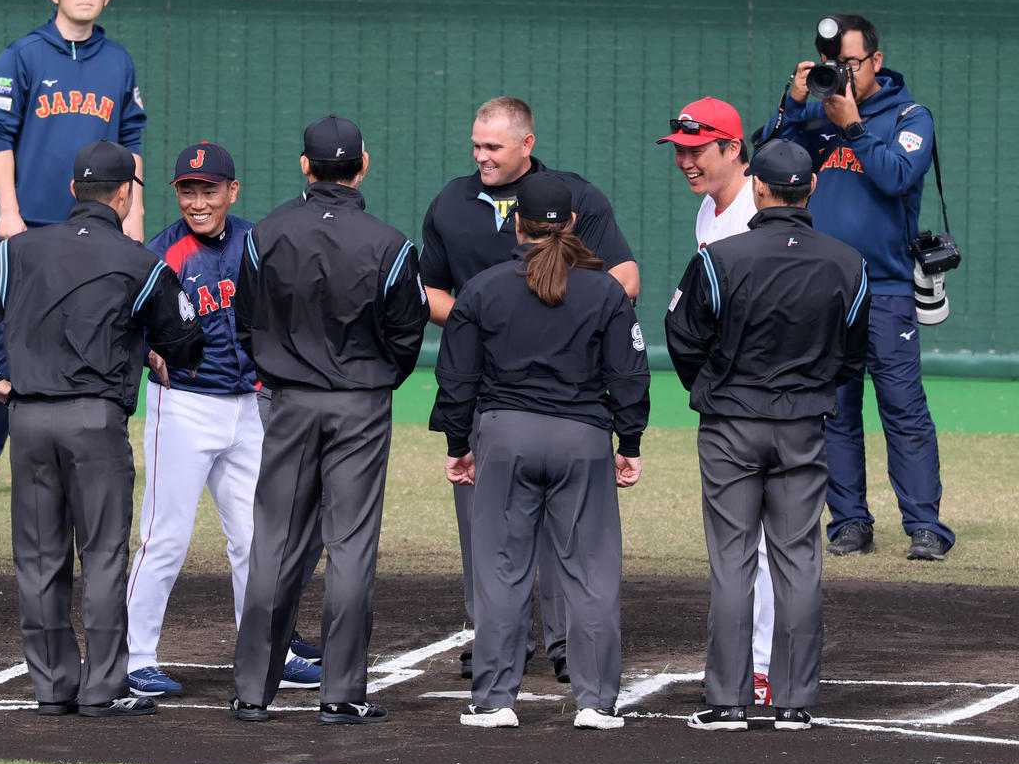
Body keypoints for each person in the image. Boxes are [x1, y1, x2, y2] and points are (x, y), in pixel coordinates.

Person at [0, 139, 203, 717]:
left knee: (39, 558)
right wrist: (150, 349)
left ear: (72, 190)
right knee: (103, 556)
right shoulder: (140, 262)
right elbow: (187, 343)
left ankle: (53, 687)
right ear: (124, 194)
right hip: (95, 424)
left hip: (30, 421)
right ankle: (104, 689)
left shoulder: (19, 249)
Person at [420, 96, 640, 683]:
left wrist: (545, 314)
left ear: (527, 144)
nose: (482, 156)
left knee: (560, 533)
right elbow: (428, 289)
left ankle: (566, 644)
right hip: (490, 395)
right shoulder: (451, 202)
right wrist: (486, 319)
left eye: (493, 146)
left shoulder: (577, 195)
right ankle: (497, 642)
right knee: (486, 533)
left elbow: (625, 276)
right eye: (476, 145)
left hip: (559, 393)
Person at [665, 139, 870, 732]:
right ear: (811, 188)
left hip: (731, 425)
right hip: (804, 426)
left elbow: (682, 337)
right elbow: (852, 355)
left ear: (758, 187)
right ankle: (794, 703)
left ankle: (728, 702)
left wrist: (714, 387)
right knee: (798, 559)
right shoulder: (848, 263)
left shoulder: (720, 257)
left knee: (733, 561)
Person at [230, 115, 428, 725]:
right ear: (362, 166)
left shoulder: (265, 233)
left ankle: (252, 692)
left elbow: (245, 322)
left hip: (289, 401)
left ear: (305, 165)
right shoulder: (391, 243)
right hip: (360, 404)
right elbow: (407, 337)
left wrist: (282, 371)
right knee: (350, 546)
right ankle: (341, 694)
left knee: (274, 543)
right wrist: (370, 380)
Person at [123, 142, 321, 700]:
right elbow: (125, 322)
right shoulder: (161, 253)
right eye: (187, 191)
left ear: (232, 191)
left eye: (208, 190)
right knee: (165, 536)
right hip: (182, 407)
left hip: (248, 409)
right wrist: (146, 352)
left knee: (257, 539)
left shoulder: (256, 243)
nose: (198, 201)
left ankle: (269, 652)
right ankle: (134, 657)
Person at [756, 14, 953, 561]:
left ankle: (925, 525)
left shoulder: (910, 116)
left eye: (849, 63)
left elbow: (896, 176)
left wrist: (854, 127)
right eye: (830, 65)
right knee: (835, 411)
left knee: (903, 409)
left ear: (876, 61)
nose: (840, 74)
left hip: (886, 288)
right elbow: (766, 168)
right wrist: (794, 104)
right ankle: (849, 522)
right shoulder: (813, 115)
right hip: (823, 290)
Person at [0, 0, 147, 500]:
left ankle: (87, 450)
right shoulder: (22, 55)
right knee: (10, 339)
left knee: (100, 333)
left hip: (102, 224)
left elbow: (131, 141)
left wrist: (134, 211)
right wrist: (9, 210)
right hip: (36, 223)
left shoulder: (118, 61)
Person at [657, 96, 775, 707]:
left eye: (697, 150)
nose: (685, 161)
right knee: (742, 542)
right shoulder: (711, 209)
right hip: (732, 397)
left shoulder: (762, 207)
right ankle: (748, 660)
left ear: (733, 148)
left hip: (773, 397)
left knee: (767, 545)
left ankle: (764, 665)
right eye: (679, 150)